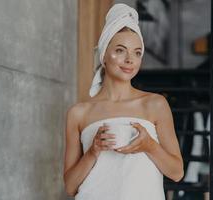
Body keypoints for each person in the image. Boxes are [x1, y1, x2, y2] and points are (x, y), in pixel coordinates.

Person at [63, 3, 184, 200]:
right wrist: (93, 151)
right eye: (120, 50)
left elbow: (176, 172)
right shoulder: (79, 113)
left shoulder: (155, 104)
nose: (130, 59)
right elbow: (70, 186)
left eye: (137, 52)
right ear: (103, 55)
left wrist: (149, 146)